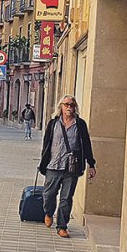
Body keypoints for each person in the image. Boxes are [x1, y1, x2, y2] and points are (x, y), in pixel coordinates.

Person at [38, 95, 96, 238]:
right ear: (61, 106)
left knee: (66, 198)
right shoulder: (53, 123)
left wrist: (91, 164)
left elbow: (86, 145)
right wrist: (43, 161)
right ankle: (49, 212)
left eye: (72, 105)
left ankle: (62, 226)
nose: (69, 107)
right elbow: (46, 144)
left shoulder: (80, 124)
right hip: (53, 165)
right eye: (66, 104)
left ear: (75, 107)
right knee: (49, 194)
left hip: (71, 167)